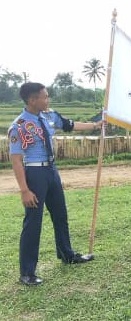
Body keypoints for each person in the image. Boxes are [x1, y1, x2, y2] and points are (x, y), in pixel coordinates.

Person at [8, 82, 101, 286]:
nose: (48, 99)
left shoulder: (49, 116)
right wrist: (24, 190)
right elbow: (16, 160)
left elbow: (71, 125)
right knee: (33, 222)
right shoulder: (19, 126)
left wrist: (95, 126)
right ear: (33, 100)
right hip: (34, 172)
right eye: (45, 96)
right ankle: (27, 272)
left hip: (52, 170)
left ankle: (67, 255)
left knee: (60, 215)